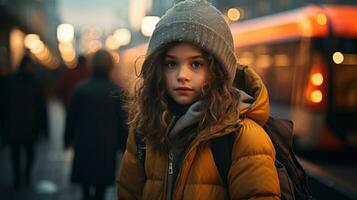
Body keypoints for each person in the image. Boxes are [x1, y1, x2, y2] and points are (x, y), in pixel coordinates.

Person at [117, 0, 280, 199]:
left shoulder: (244, 138)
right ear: (157, 69)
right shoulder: (145, 131)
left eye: (196, 64)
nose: (182, 75)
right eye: (171, 64)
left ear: (217, 71)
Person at [64, 49, 128, 200]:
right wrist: (123, 145)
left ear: (91, 66)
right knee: (101, 188)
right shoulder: (117, 91)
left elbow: (71, 118)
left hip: (84, 142)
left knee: (85, 186)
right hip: (107, 145)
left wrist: (67, 139)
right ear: (110, 66)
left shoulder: (80, 89)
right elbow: (123, 122)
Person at [2, 55, 48, 189]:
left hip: (21, 123)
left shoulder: (15, 81)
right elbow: (41, 107)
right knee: (23, 152)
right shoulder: (30, 82)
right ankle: (22, 177)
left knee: (22, 153)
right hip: (25, 123)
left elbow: (41, 107)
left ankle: (22, 177)